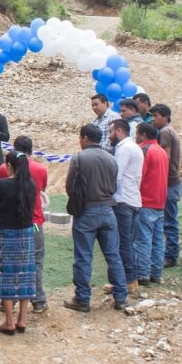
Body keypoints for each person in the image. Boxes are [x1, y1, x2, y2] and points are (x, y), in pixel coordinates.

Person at [64, 125, 127, 312]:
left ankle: (83, 299)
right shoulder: (111, 157)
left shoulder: (79, 158)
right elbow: (115, 185)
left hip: (86, 212)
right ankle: (121, 297)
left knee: (83, 257)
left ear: (84, 138)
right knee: (113, 256)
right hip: (108, 211)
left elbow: (69, 187)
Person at [0, 151, 38, 334]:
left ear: (9, 165)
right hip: (26, 233)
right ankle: (22, 320)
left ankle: (9, 321)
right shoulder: (31, 185)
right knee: (25, 273)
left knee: (5, 275)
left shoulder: (2, 185)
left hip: (5, 233)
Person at [5, 136, 50, 313]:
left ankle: (10, 300)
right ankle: (38, 300)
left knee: (13, 261)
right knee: (36, 261)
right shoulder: (41, 170)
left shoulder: (4, 168)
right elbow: (42, 191)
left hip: (13, 221)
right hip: (35, 222)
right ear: (31, 150)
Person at [109, 119, 143, 296]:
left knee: (123, 243)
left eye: (111, 132)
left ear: (120, 131)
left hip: (123, 200)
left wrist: (107, 194)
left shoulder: (123, 149)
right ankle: (130, 279)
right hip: (133, 199)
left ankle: (127, 281)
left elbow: (117, 177)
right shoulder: (134, 147)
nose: (109, 136)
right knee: (128, 242)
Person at [133, 123, 169, 287]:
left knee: (143, 239)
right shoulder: (161, 151)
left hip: (146, 200)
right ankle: (156, 273)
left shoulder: (144, 150)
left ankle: (143, 274)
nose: (135, 137)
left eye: (137, 133)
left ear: (143, 134)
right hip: (159, 201)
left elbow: (139, 176)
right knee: (157, 240)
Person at [151, 104, 182, 268]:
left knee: (169, 221)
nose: (153, 119)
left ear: (165, 116)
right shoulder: (169, 131)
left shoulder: (165, 132)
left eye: (156, 116)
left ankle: (170, 256)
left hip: (169, 183)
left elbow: (165, 158)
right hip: (171, 182)